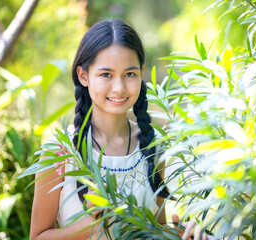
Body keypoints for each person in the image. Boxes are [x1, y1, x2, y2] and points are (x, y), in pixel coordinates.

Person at [29, 19, 209, 240]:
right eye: (106, 74)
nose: (119, 88)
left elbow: (153, 229)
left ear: (142, 73)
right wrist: (92, 224)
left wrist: (181, 233)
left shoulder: (152, 146)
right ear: (83, 76)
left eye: (129, 74)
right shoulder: (59, 152)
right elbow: (37, 237)